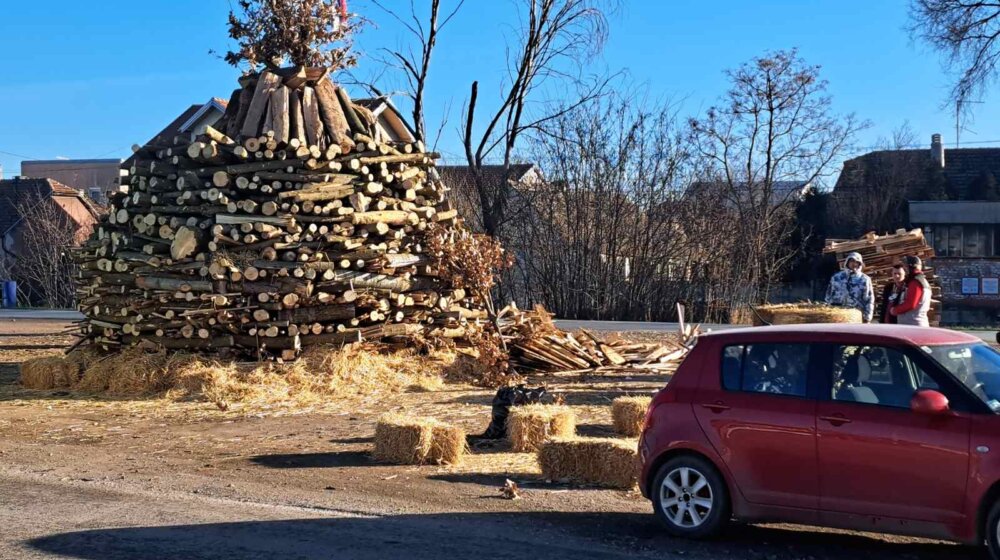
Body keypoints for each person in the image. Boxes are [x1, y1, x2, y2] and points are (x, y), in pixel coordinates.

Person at [825, 251, 875, 323]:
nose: (854, 264)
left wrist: (867, 317)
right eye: (852, 261)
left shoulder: (864, 279)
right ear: (847, 262)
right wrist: (828, 313)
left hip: (856, 317)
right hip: (837, 316)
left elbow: (869, 299)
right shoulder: (836, 277)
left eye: (857, 262)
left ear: (860, 264)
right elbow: (828, 296)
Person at [890, 255, 931, 327]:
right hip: (915, 324)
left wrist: (895, 310)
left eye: (905, 267)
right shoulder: (921, 281)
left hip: (913, 325)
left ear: (911, 267)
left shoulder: (915, 282)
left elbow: (910, 304)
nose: (904, 269)